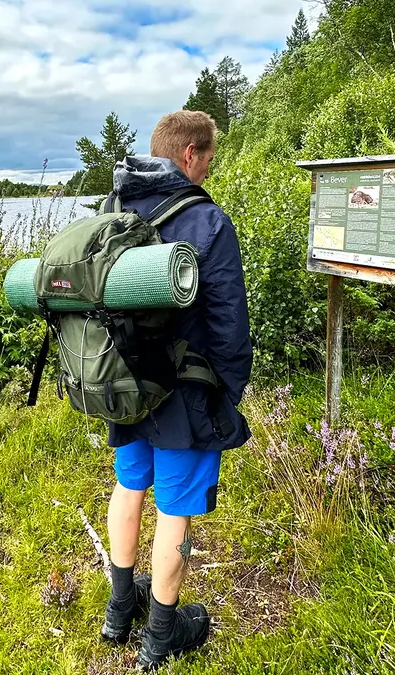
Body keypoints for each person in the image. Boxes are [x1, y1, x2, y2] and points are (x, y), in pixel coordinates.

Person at [98, 110, 253, 670]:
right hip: (184, 394)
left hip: (122, 383)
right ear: (189, 155)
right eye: (209, 155)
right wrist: (229, 389)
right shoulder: (207, 220)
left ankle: (119, 613)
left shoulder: (113, 208)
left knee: (129, 486)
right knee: (176, 511)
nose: (210, 165)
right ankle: (161, 638)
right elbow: (228, 322)